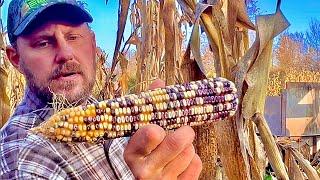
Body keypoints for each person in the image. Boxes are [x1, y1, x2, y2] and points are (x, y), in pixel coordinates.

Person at [0, 0, 202, 179]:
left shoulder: (103, 111)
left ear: (93, 43)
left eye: (73, 37)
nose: (66, 54)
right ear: (15, 58)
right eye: (43, 43)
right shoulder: (21, 162)